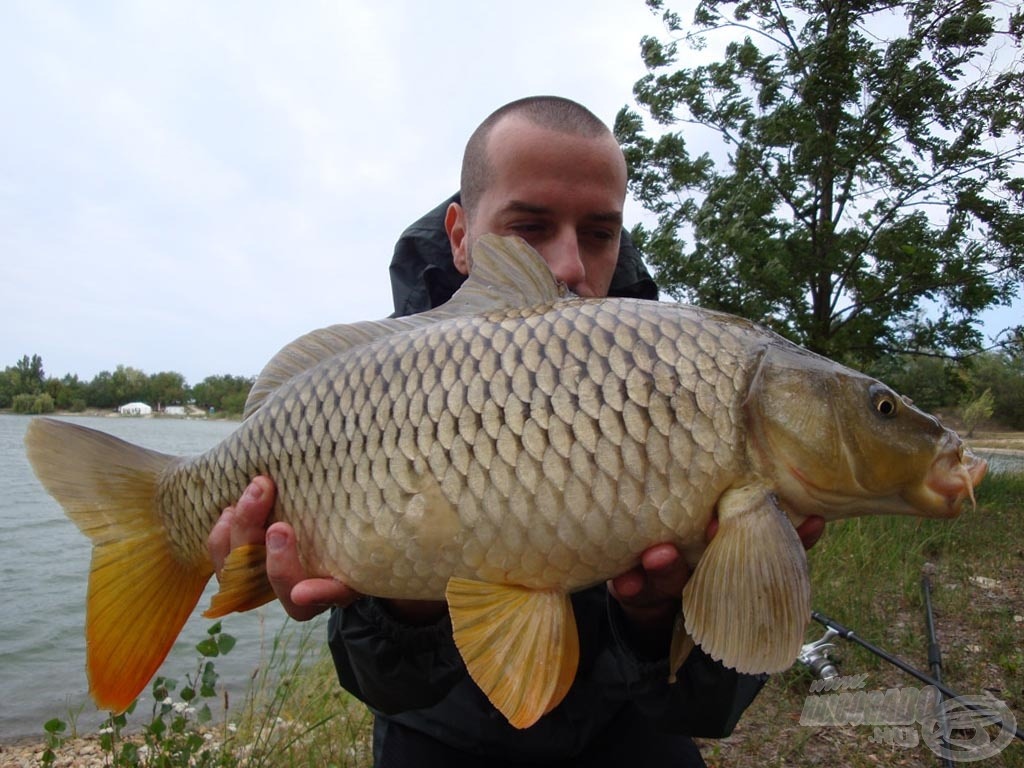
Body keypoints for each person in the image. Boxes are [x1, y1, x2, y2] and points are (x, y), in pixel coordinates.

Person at [209, 96, 825, 766]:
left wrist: (655, 620)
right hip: (439, 739)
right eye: (529, 228)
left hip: (632, 728)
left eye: (598, 234)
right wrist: (405, 603)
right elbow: (385, 686)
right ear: (460, 235)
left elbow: (709, 709)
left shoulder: (691, 384)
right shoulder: (370, 392)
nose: (567, 266)